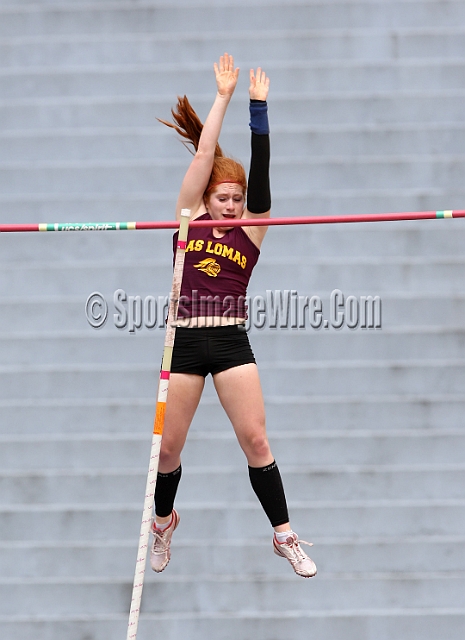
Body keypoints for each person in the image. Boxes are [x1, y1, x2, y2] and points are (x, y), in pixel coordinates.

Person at [150, 53, 317, 578]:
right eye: (222, 198)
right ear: (205, 198)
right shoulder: (187, 220)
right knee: (169, 449)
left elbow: (262, 183)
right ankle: (162, 522)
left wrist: (258, 110)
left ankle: (284, 534)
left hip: (229, 342)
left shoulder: (252, 231)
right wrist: (221, 97)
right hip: (182, 342)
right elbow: (203, 155)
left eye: (237, 199)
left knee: (257, 440)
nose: (229, 205)